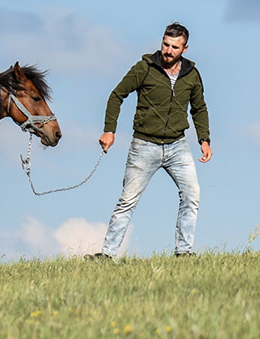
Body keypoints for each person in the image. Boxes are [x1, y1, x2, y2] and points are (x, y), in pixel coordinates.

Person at [87, 22, 212, 260]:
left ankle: (184, 252)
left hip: (178, 145)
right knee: (127, 201)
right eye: (165, 44)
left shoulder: (192, 75)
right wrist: (109, 131)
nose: (168, 50)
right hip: (144, 145)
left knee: (192, 194)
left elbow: (199, 108)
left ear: (184, 49)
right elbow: (116, 96)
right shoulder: (144, 68)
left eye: (174, 47)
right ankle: (106, 255)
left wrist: (204, 139)